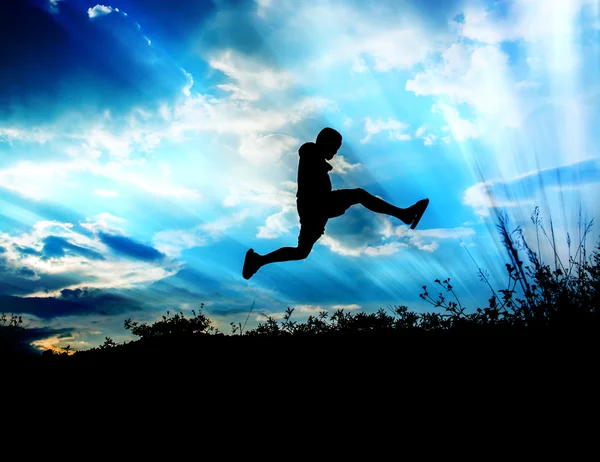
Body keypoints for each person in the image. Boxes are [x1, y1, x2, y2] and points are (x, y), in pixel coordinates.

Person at [242, 127, 429, 280]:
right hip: (316, 204)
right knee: (359, 194)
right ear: (325, 142)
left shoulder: (318, 159)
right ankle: (403, 214)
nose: (336, 152)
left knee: (302, 252)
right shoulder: (309, 150)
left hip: (317, 209)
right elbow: (307, 152)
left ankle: (258, 261)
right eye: (335, 147)